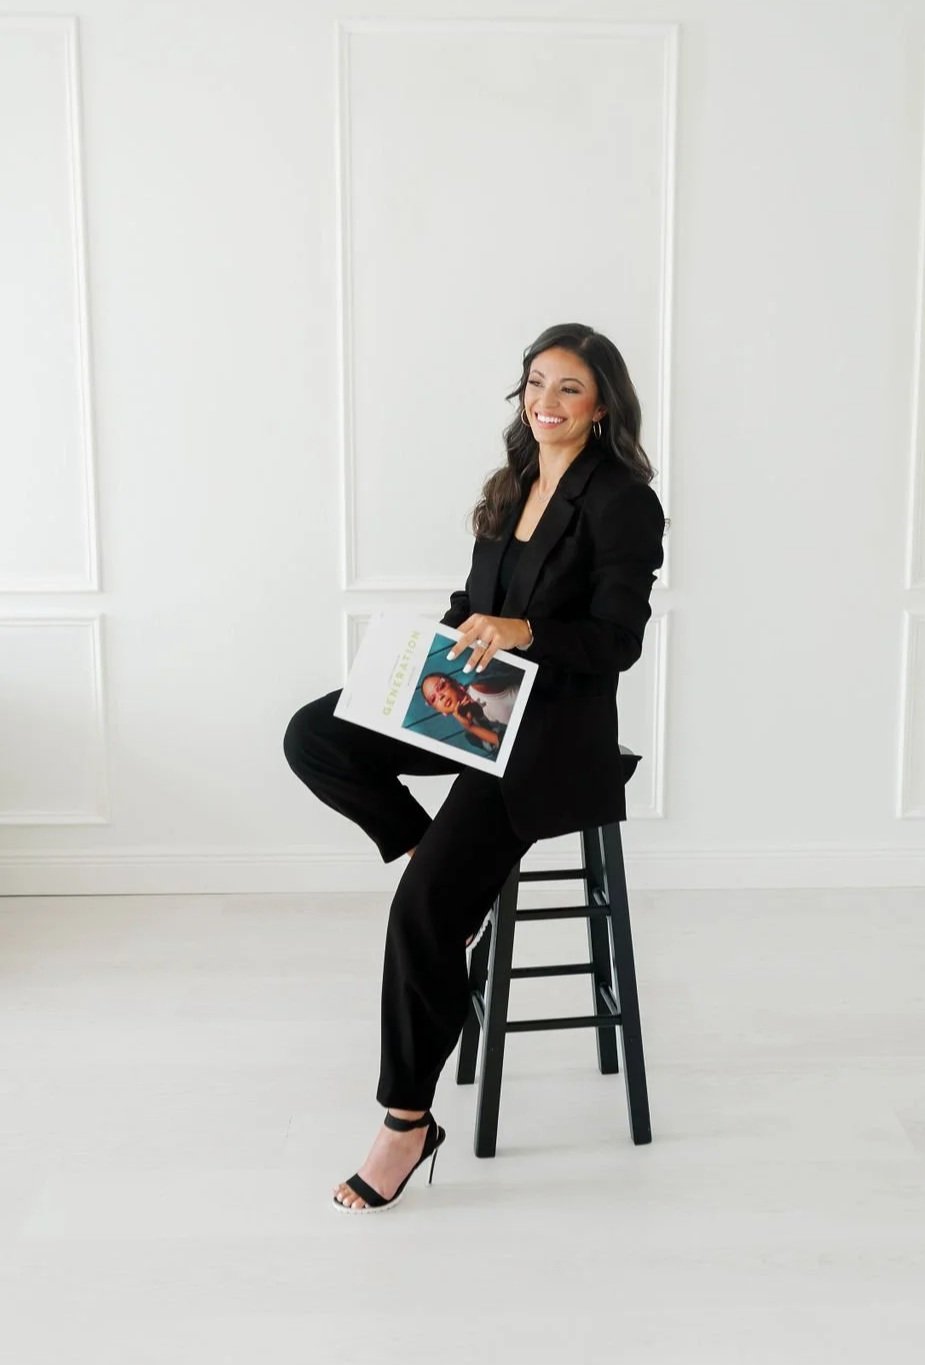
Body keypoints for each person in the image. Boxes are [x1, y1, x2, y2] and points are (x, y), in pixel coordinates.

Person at [283, 322, 665, 1212]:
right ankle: (427, 853)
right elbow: (476, 601)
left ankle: (407, 1122)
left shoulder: (623, 501)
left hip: (550, 736)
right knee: (317, 734)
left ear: (602, 401)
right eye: (536, 383)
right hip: (476, 699)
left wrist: (526, 633)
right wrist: (447, 639)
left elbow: (618, 641)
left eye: (569, 387)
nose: (547, 402)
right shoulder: (515, 482)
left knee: (420, 917)